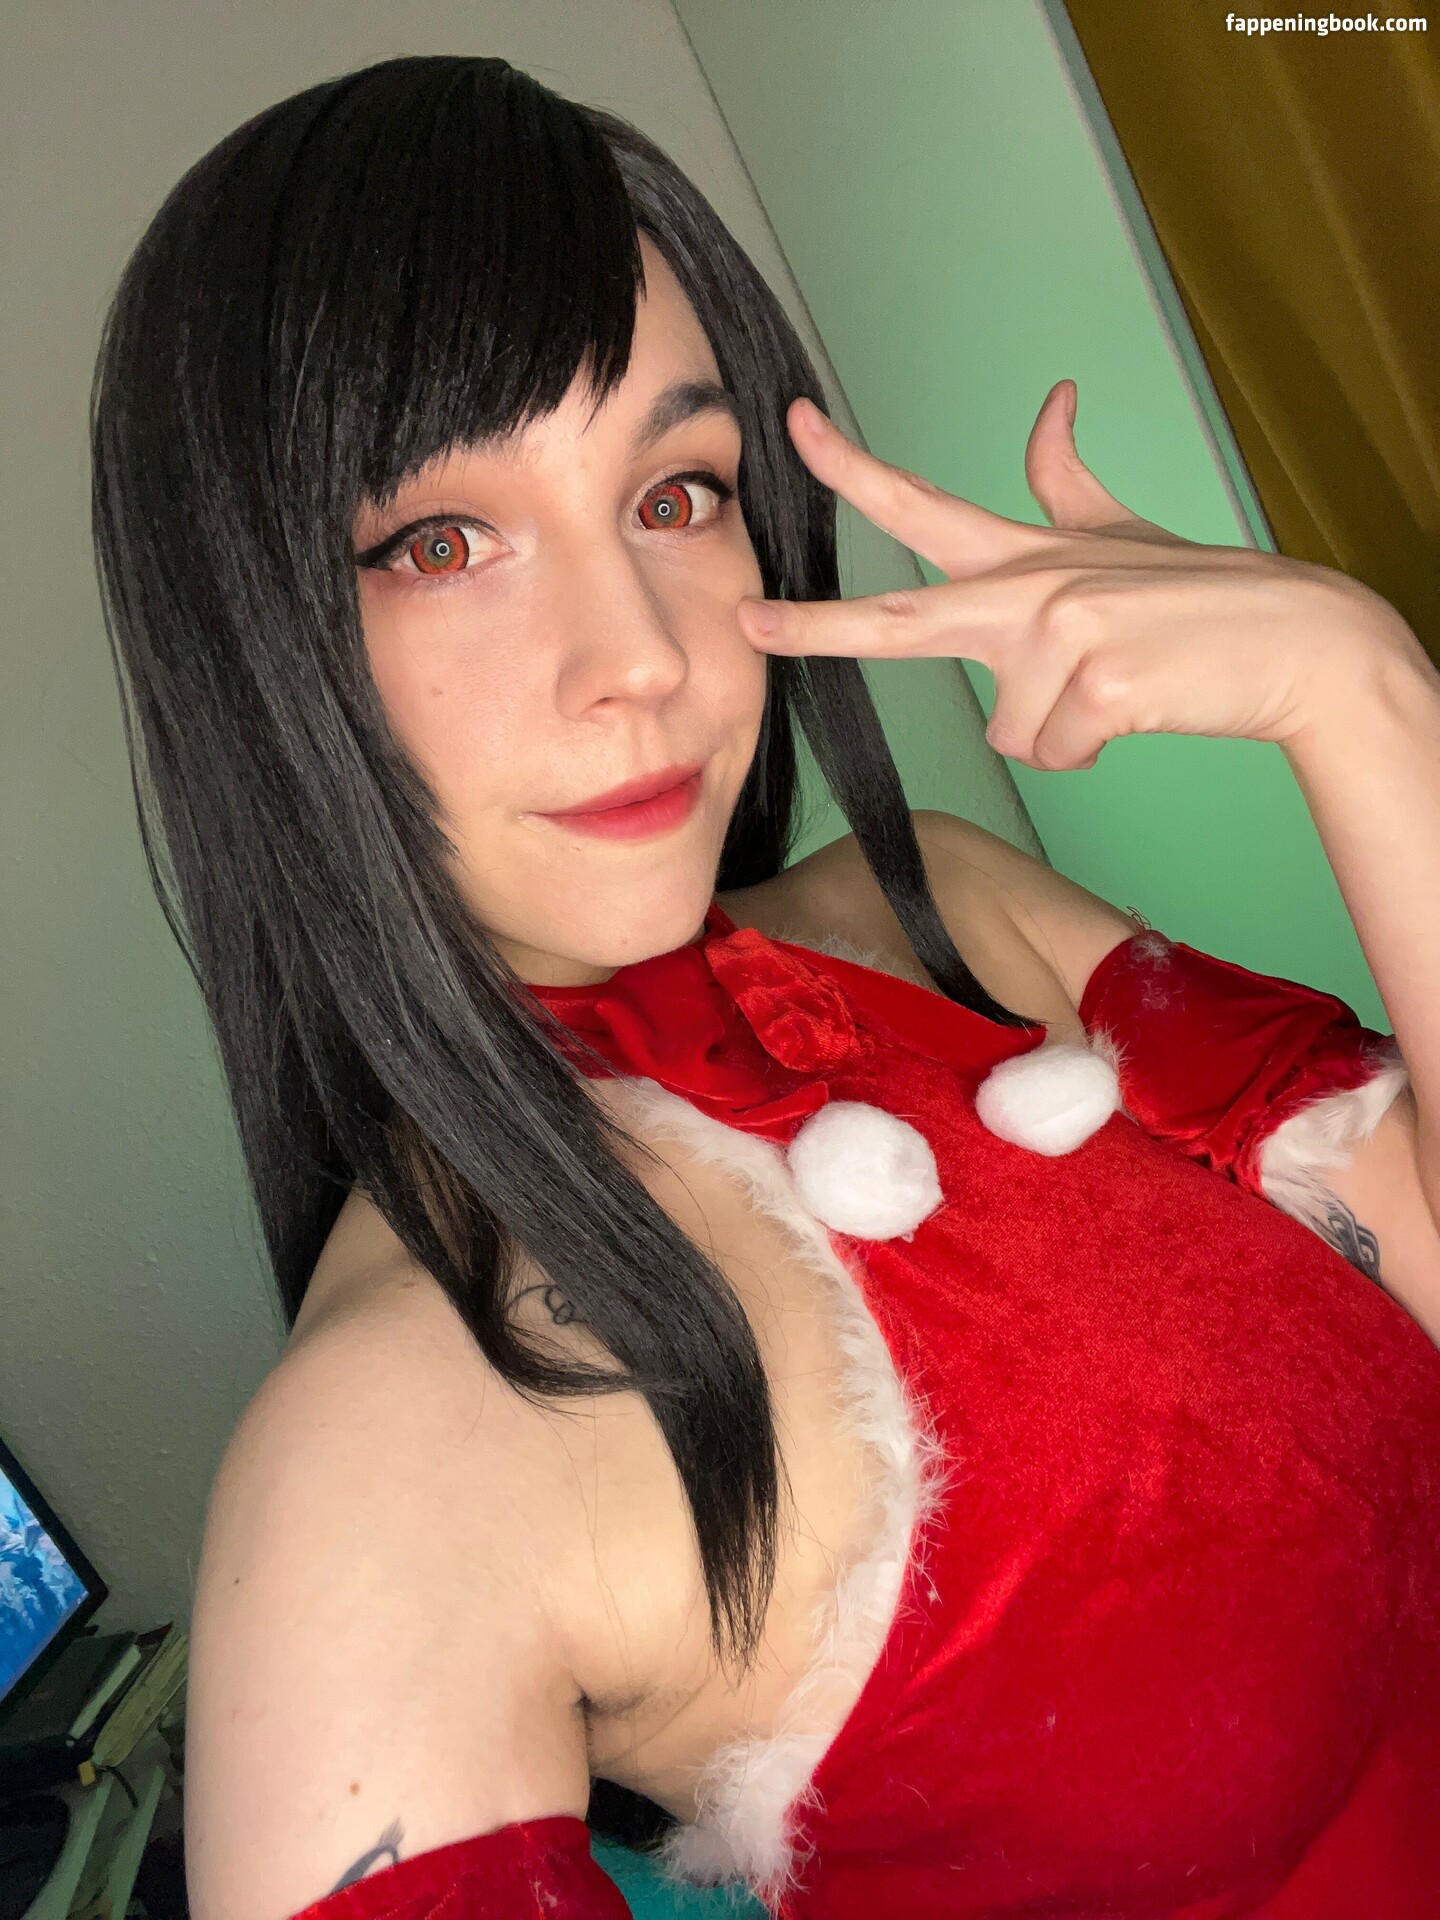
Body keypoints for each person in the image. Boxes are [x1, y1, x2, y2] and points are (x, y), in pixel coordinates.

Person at [87, 53, 1440, 1920]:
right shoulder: (394, 1456)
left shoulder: (933, 907)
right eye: (439, 542)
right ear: (247, 646)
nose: (637, 657)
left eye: (676, 493)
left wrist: (1359, 695)